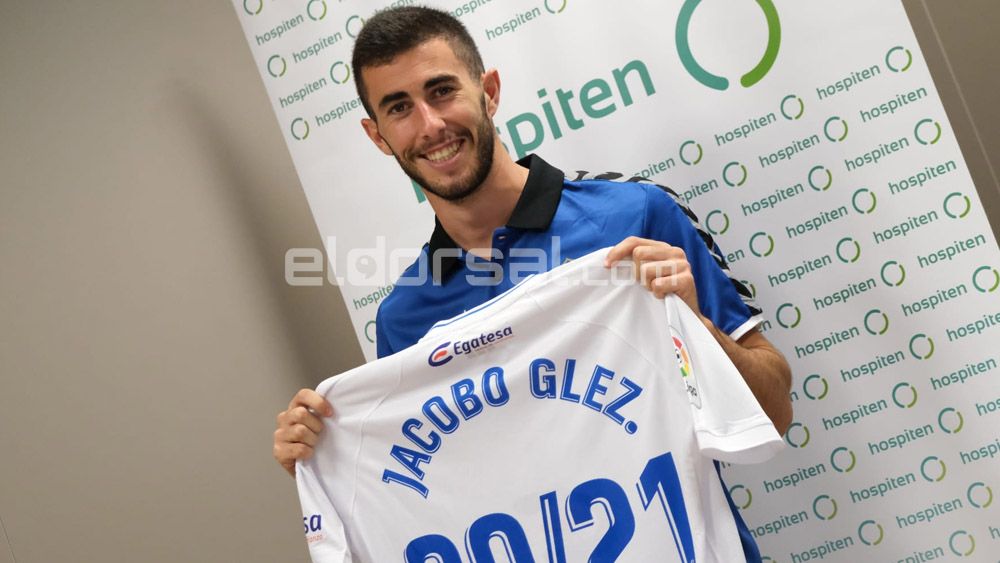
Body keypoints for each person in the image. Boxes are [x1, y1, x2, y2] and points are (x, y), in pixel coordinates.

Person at [273, 6, 792, 561]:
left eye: (442, 91)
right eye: (399, 108)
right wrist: (326, 461)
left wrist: (697, 327)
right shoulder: (404, 318)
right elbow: (432, 497)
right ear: (378, 136)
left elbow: (775, 412)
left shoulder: (635, 217)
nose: (429, 125)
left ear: (489, 92)